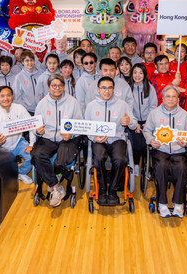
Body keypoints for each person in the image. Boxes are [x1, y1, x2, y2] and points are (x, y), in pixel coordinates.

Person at [32, 75, 83, 207]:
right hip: (48, 137)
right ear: (48, 87)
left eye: (60, 85)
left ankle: (54, 177)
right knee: (37, 155)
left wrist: (71, 134)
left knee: (61, 161)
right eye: (54, 86)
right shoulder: (42, 104)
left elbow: (80, 124)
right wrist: (38, 131)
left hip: (66, 139)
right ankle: (56, 187)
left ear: (64, 87)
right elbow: (35, 126)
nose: (57, 88)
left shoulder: (73, 102)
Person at [143, 86, 187, 218]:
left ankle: (178, 204)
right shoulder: (154, 113)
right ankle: (162, 203)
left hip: (178, 150)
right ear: (163, 98)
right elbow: (147, 130)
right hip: (160, 150)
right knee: (161, 167)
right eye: (168, 96)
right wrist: (151, 140)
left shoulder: (185, 115)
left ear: (178, 99)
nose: (170, 99)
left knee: (182, 167)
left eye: (173, 97)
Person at [85, 77, 138, 205]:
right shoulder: (91, 106)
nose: (107, 91)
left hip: (117, 139)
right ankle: (102, 190)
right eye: (103, 88)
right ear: (98, 89)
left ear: (114, 89)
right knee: (98, 158)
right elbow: (86, 127)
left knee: (121, 160)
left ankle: (113, 191)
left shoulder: (122, 105)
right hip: (99, 140)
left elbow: (134, 124)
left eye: (110, 88)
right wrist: (93, 137)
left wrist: (129, 122)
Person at [0, 86, 34, 184]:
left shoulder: (19, 108)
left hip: (18, 142)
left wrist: (31, 144)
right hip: (2, 147)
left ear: (12, 96)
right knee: (3, 170)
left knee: (33, 155)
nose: (6, 98)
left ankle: (21, 173)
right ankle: (11, 174)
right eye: (2, 96)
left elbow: (32, 125)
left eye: (8, 95)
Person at [128, 64, 158, 173]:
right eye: (135, 72)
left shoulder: (149, 87)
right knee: (137, 145)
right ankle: (136, 164)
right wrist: (135, 124)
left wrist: (148, 123)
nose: (137, 75)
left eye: (140, 73)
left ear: (144, 75)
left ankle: (147, 165)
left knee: (147, 144)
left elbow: (153, 106)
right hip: (134, 122)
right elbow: (127, 108)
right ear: (132, 74)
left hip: (148, 121)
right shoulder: (128, 88)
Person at [13, 50, 42, 115]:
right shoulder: (19, 77)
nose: (30, 62)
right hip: (27, 111)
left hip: (41, 109)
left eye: (31, 60)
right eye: (27, 60)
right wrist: (23, 110)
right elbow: (17, 97)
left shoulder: (40, 74)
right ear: (22, 62)